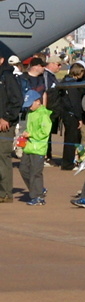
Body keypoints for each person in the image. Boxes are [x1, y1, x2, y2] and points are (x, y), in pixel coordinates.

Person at [18, 90, 51, 205]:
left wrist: (31, 134)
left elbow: (45, 132)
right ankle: (38, 188)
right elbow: (30, 128)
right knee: (23, 169)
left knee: (35, 173)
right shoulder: (30, 113)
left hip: (38, 148)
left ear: (38, 102)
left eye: (30, 104)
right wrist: (25, 134)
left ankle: (38, 197)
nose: (29, 108)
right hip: (28, 147)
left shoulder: (44, 114)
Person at [56, 63, 85, 171]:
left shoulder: (65, 81)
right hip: (71, 114)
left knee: (69, 138)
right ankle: (68, 163)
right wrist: (79, 118)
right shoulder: (72, 85)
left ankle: (68, 161)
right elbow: (75, 103)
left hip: (65, 113)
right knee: (71, 139)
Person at [0, 58, 20, 201]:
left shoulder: (7, 76)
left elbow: (17, 100)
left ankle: (6, 193)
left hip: (5, 125)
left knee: (3, 157)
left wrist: (6, 117)